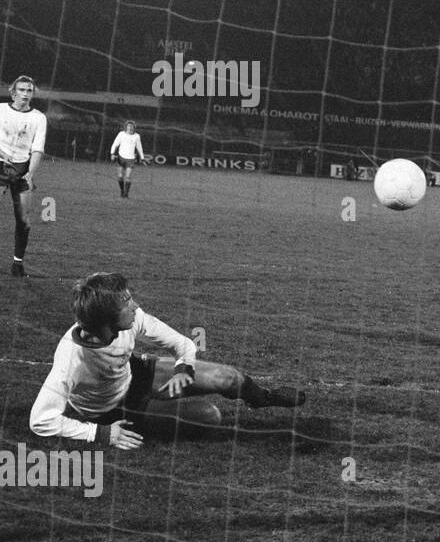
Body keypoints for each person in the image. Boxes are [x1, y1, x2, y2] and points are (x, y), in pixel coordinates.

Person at [29, 272, 307, 449]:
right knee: (210, 416)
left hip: (135, 374)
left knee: (230, 378)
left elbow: (181, 343)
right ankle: (154, 411)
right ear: (106, 318)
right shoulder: (71, 358)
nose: (135, 306)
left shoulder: (132, 320)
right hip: (113, 410)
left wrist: (182, 369)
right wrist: (99, 434)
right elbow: (40, 420)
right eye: (126, 302)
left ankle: (261, 397)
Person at [0, 75, 47, 277]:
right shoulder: (1, 110)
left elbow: (38, 149)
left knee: (24, 220)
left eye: (29, 90)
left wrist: (30, 173)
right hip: (0, 166)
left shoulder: (39, 117)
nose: (26, 94)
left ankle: (17, 263)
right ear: (13, 92)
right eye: (22, 90)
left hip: (22, 169)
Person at [109, 120, 145, 198]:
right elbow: (115, 144)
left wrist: (142, 158)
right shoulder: (121, 134)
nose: (130, 128)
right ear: (126, 127)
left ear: (134, 128)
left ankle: (126, 193)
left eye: (131, 126)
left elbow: (139, 147)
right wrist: (112, 153)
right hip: (121, 158)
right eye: (128, 126)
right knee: (120, 176)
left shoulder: (136, 136)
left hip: (131, 159)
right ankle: (122, 191)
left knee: (128, 177)